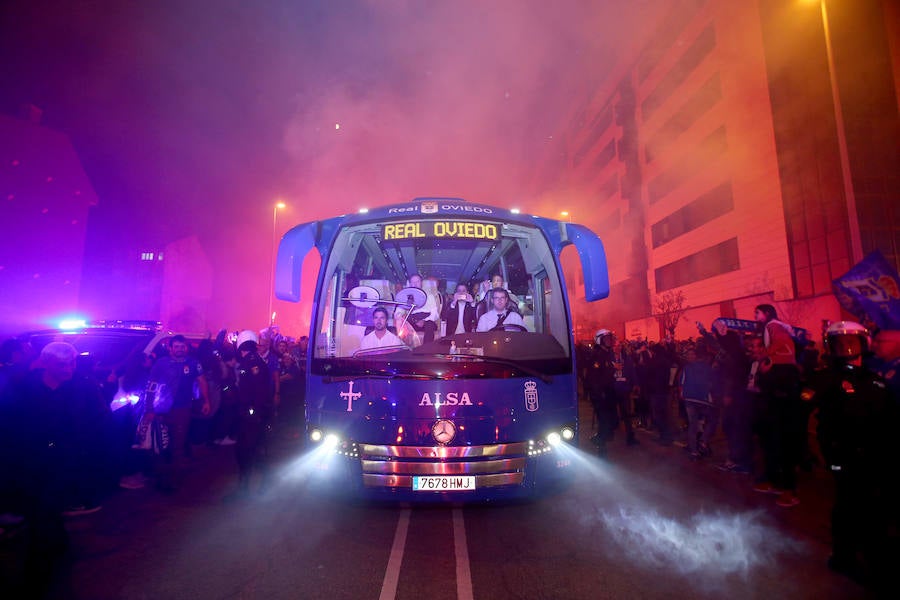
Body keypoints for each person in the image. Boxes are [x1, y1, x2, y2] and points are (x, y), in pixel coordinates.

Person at [0, 342, 100, 596]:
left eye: (72, 363)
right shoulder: (25, 387)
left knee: (48, 510)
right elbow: (12, 423)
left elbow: (91, 419)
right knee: (41, 513)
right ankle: (43, 569)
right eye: (63, 364)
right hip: (32, 460)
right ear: (47, 363)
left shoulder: (80, 387)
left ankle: (49, 561)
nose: (69, 369)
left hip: (63, 460)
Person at [810, 321, 895, 591]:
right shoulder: (825, 379)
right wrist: (818, 453)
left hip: (877, 455)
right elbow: (801, 411)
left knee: (876, 508)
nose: (846, 347)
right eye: (839, 343)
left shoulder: (875, 379)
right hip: (844, 457)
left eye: (852, 342)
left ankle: (869, 558)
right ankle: (848, 559)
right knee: (851, 508)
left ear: (864, 344)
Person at [752, 304, 803, 508]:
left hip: (782, 381)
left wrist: (766, 355)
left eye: (757, 313)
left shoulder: (773, 326)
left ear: (767, 314)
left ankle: (789, 489)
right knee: (771, 437)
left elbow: (782, 342)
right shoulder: (773, 328)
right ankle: (774, 481)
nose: (755, 316)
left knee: (783, 438)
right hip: (776, 384)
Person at [143, 334, 210, 491]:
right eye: (177, 347)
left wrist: (206, 400)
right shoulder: (161, 363)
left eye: (182, 346)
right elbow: (151, 385)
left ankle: (173, 480)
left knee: (177, 444)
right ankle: (160, 477)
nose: (180, 349)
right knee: (160, 444)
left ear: (186, 348)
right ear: (170, 348)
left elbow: (202, 381)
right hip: (162, 410)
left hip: (182, 410)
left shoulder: (193, 363)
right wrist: (148, 408)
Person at [228, 329, 275, 499]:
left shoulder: (251, 363)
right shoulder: (255, 361)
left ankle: (249, 488)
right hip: (255, 413)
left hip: (251, 414)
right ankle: (256, 485)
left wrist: (251, 411)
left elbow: (252, 391)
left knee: (247, 450)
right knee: (252, 449)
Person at [403, 274, 439, 343]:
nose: (415, 284)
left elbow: (435, 314)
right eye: (413, 282)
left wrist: (424, 321)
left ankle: (425, 351)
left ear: (421, 283)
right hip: (413, 321)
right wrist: (416, 321)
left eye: (417, 282)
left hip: (427, 321)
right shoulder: (406, 297)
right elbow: (399, 312)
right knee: (406, 321)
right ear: (410, 284)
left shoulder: (429, 296)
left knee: (430, 324)